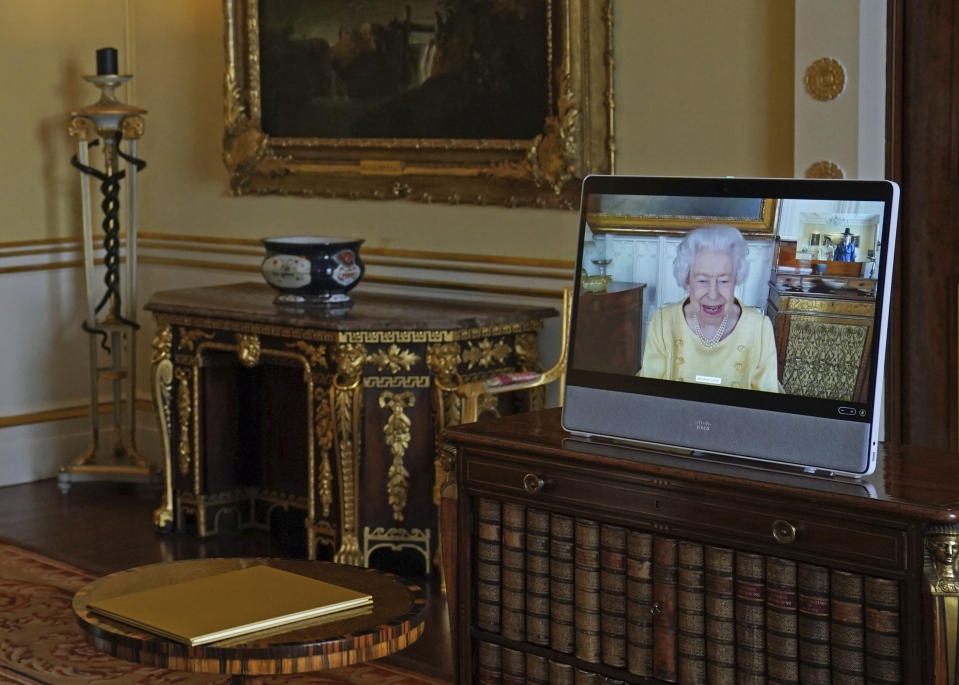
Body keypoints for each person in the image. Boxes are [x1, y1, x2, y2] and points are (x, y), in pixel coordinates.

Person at [639, 224, 781, 392]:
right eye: (702, 280)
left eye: (723, 281)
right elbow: (650, 394)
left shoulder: (759, 328)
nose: (713, 295)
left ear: (736, 280)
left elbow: (765, 405)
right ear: (686, 280)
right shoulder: (664, 322)